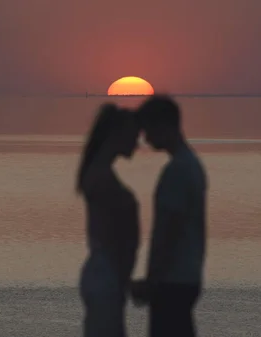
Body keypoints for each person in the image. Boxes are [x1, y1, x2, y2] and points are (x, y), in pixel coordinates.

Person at [130, 95, 208, 337]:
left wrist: (152, 281)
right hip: (187, 277)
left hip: (172, 282)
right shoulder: (193, 165)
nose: (145, 137)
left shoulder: (177, 171)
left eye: (148, 129)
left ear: (165, 125)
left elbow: (168, 232)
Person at [76, 103, 141, 337]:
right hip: (106, 276)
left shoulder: (98, 173)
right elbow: (113, 238)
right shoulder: (101, 178)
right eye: (134, 135)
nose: (137, 142)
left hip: (106, 275)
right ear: (118, 133)